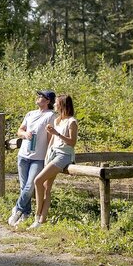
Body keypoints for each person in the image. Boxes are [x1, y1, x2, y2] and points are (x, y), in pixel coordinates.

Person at [8, 90, 56, 226]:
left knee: (30, 186)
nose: (38, 98)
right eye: (39, 95)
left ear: (48, 101)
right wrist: (25, 134)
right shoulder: (30, 114)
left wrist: (48, 156)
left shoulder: (50, 116)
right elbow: (20, 130)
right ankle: (26, 212)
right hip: (23, 154)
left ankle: (17, 209)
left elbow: (50, 138)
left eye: (42, 97)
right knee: (24, 186)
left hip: (38, 157)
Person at [29, 94, 78, 229]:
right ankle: (42, 220)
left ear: (62, 105)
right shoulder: (57, 120)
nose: (54, 105)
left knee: (37, 180)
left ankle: (37, 215)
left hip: (64, 155)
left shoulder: (72, 122)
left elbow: (72, 143)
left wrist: (57, 134)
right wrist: (47, 155)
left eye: (56, 103)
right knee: (46, 187)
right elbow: (52, 140)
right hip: (52, 153)